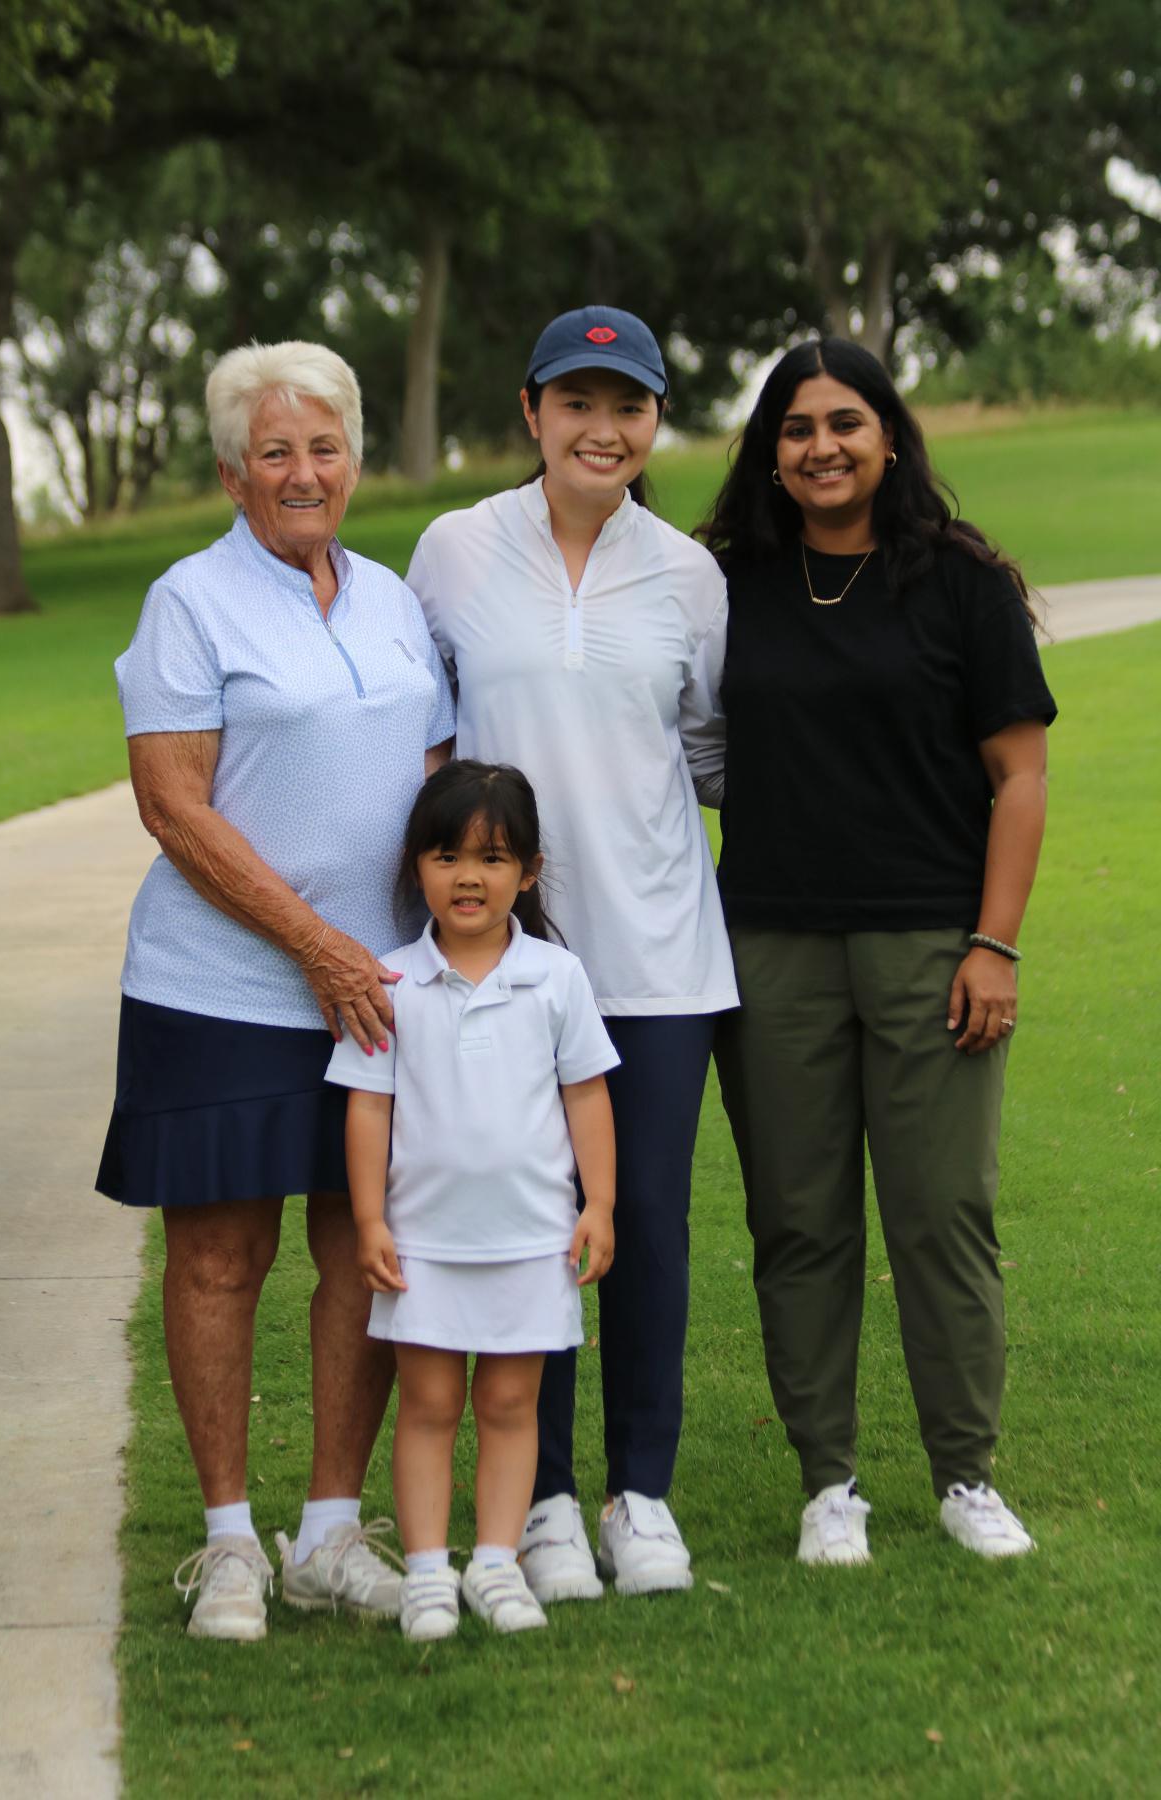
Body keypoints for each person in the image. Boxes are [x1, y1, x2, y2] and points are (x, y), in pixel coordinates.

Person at [96, 340, 455, 1640]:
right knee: (219, 1258)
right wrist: (314, 944)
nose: (304, 472)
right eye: (276, 451)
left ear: (353, 459)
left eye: (324, 447)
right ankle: (231, 1545)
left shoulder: (392, 599)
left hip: (379, 989)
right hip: (221, 990)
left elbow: (437, 783)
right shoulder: (190, 602)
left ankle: (328, 1533)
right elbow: (171, 805)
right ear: (233, 470)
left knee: (363, 1253)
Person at [698, 337, 1057, 1565]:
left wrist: (994, 944)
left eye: (845, 422)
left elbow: (1020, 776)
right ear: (770, 453)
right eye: (796, 429)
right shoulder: (726, 583)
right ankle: (829, 1486)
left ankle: (966, 1476)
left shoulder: (961, 584)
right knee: (798, 1221)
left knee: (941, 1213)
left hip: (930, 944)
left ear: (888, 437)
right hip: (771, 948)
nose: (822, 447)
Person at [405, 307, 737, 1601]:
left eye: (630, 406)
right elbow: (426, 744)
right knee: (526, 1223)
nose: (604, 429)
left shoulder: (688, 577)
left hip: (659, 962)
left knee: (643, 1223)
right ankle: (538, 1500)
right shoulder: (453, 551)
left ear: (653, 424)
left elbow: (708, 757)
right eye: (578, 402)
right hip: (502, 968)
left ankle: (638, 1496)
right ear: (532, 412)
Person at [326, 761, 618, 1639]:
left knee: (509, 1407)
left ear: (527, 873)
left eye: (492, 859)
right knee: (429, 1407)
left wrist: (598, 1204)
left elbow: (587, 1098)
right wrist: (372, 1220)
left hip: (531, 1242)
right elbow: (367, 1106)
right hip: (423, 1245)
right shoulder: (391, 984)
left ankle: (494, 1563)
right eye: (447, 856)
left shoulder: (556, 979)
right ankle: (425, 1574)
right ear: (417, 867)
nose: (468, 877)